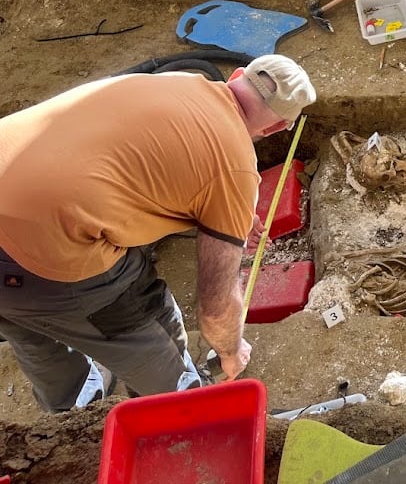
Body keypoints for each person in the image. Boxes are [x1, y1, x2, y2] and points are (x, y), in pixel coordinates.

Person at [0, 54, 315, 412]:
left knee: (29, 328)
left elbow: (146, 164)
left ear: (237, 75)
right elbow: (215, 308)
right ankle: (175, 402)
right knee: (133, 321)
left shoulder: (176, 83)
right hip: (43, 248)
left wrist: (228, 214)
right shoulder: (234, 165)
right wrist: (230, 349)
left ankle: (72, 411)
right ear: (276, 128)